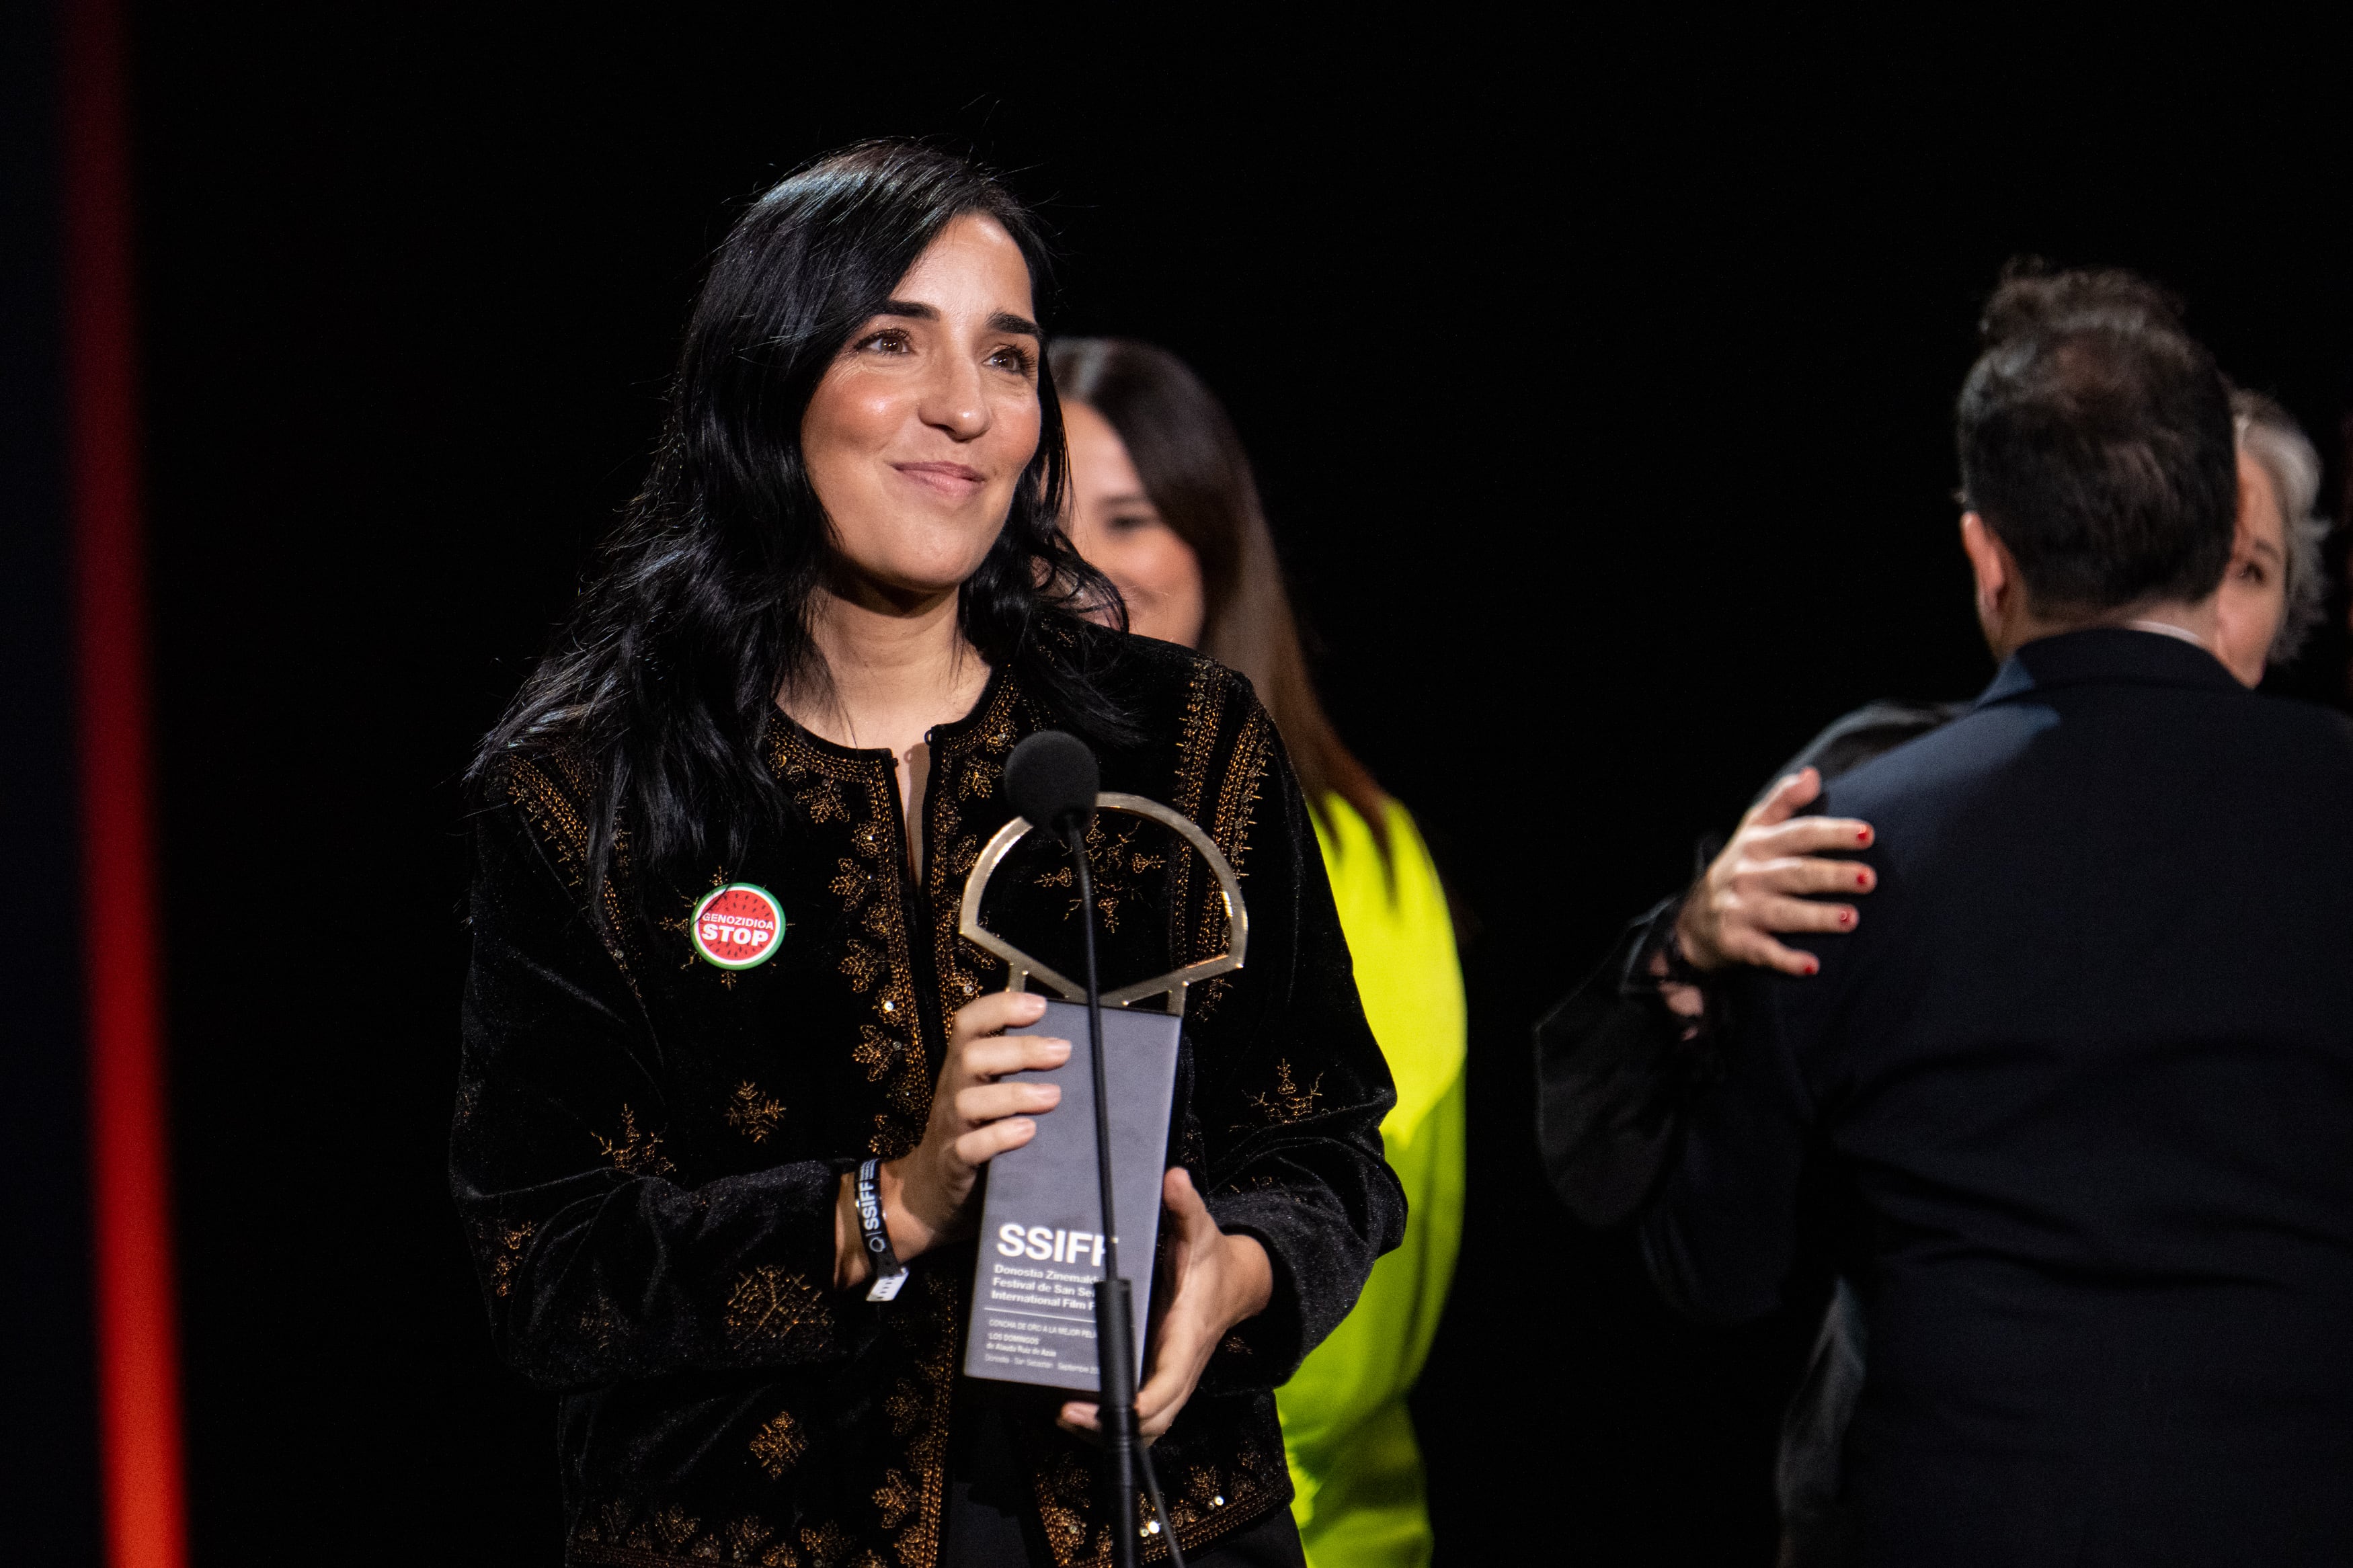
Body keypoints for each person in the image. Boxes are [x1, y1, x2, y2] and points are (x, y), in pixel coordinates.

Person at [450, 142, 1404, 1568]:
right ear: (768, 387)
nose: (966, 408)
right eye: (893, 341)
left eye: (1008, 358)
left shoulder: (1178, 735)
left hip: (1157, 1529)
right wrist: (885, 1208)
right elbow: (549, 1273)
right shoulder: (587, 794)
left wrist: (1238, 1273)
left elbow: (1327, 1140)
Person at [1544, 265, 2353, 1565]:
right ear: (2220, 545)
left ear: (1988, 554)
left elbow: (1720, 1268)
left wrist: (1688, 976)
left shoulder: (1847, 841)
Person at [1051, 337, 1466, 1568]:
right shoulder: (1039, 841)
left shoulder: (1338, 844)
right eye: (1049, 516)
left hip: (1291, 1513)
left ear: (1215, 547)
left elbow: (1355, 1194)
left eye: (1131, 518)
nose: (1082, 563)